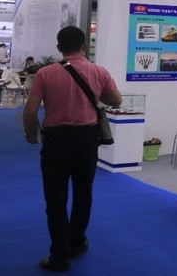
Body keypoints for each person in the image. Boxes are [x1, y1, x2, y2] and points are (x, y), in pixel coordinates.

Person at [22, 26, 122, 272]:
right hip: (87, 139)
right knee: (83, 192)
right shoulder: (99, 71)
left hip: (56, 140)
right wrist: (95, 94)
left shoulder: (45, 73)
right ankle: (77, 241)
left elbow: (30, 111)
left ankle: (59, 255)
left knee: (55, 198)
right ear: (84, 45)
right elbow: (116, 100)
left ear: (59, 48)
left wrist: (31, 135)